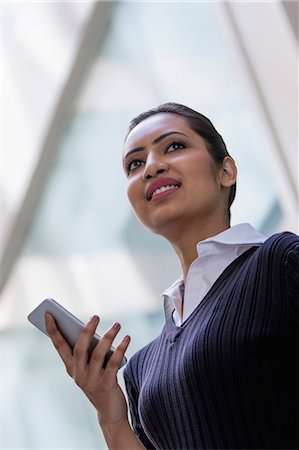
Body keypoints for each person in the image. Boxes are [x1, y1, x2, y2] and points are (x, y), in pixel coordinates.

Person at [45, 103, 298, 450]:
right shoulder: (142, 369)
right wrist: (111, 415)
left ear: (226, 171)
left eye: (174, 146)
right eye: (135, 164)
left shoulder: (280, 263)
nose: (151, 167)